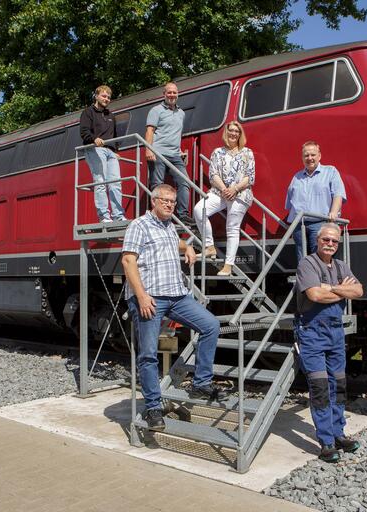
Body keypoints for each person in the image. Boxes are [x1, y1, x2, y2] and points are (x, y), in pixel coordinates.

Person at [122, 184, 225, 431]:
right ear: (154, 201)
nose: (170, 205)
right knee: (148, 354)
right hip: (151, 298)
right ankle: (153, 408)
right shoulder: (139, 225)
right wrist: (142, 296)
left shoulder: (168, 226)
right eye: (165, 201)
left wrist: (187, 246)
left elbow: (173, 242)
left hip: (177, 296)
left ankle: (201, 383)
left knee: (211, 325)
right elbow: (128, 260)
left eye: (173, 202)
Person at [295, 223, 363, 463]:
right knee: (321, 388)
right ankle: (325, 442)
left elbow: (359, 291)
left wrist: (332, 288)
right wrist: (343, 289)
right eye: (326, 239)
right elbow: (314, 295)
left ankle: (338, 434)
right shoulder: (307, 264)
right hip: (312, 333)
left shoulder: (342, 265)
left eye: (334, 241)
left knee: (339, 385)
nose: (330, 244)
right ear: (318, 240)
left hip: (335, 334)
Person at [193, 121, 255, 276]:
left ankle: (228, 265)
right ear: (226, 133)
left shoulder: (247, 152)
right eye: (231, 131)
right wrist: (225, 189)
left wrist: (234, 188)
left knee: (232, 228)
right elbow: (213, 175)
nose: (233, 133)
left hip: (241, 193)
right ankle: (209, 246)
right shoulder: (217, 153)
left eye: (236, 131)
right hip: (220, 191)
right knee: (199, 210)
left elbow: (250, 177)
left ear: (240, 134)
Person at [285, 141, 347, 261]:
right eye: (306, 155)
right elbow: (290, 203)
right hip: (299, 224)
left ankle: (319, 280)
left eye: (313, 155)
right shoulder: (296, 177)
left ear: (319, 156)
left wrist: (334, 212)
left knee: (320, 257)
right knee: (301, 258)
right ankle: (305, 279)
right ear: (302, 158)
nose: (310, 158)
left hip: (320, 223)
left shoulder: (330, 171)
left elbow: (338, 194)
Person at [145, 82, 193, 225]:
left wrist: (178, 150)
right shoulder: (156, 110)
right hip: (158, 152)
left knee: (185, 183)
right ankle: (157, 216)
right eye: (169, 92)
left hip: (174, 155)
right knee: (158, 185)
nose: (172, 95)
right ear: (164, 94)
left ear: (177, 94)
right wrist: (148, 149)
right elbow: (150, 131)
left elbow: (175, 133)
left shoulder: (181, 113)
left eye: (174, 92)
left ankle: (182, 215)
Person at [79, 85, 126, 223]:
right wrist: (94, 139)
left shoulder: (111, 115)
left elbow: (114, 135)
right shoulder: (88, 112)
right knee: (100, 182)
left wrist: (115, 151)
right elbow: (84, 132)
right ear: (97, 96)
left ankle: (118, 216)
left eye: (109, 97)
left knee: (115, 183)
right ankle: (104, 216)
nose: (106, 99)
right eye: (104, 96)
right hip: (95, 149)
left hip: (110, 152)